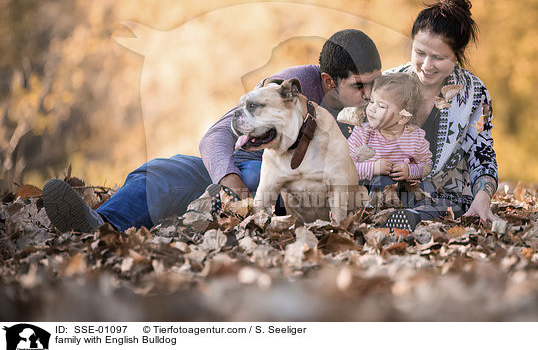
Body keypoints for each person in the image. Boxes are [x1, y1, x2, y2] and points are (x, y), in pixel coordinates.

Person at [42, 29, 382, 233]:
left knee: (258, 180)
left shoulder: (378, 108)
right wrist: (228, 181)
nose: (369, 95)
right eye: (359, 86)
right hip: (241, 164)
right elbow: (217, 136)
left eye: (374, 84)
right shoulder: (290, 86)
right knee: (160, 171)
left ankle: (208, 212)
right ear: (327, 81)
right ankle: (99, 227)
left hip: (293, 193)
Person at [380, 0, 499, 232]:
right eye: (420, 52)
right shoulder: (387, 83)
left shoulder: (476, 93)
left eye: (438, 57)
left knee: (434, 209)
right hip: (385, 192)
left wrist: (483, 196)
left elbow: (482, 153)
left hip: (445, 199)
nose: (426, 65)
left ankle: (410, 219)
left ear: (458, 53)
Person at [346, 73, 432, 195]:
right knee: (380, 181)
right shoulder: (362, 133)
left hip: (403, 191)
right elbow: (346, 167)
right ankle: (378, 211)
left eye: (381, 106)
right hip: (367, 190)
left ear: (403, 117)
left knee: (426, 188)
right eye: (372, 101)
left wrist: (410, 171)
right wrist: (374, 168)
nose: (371, 108)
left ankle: (407, 212)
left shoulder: (415, 137)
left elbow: (427, 166)